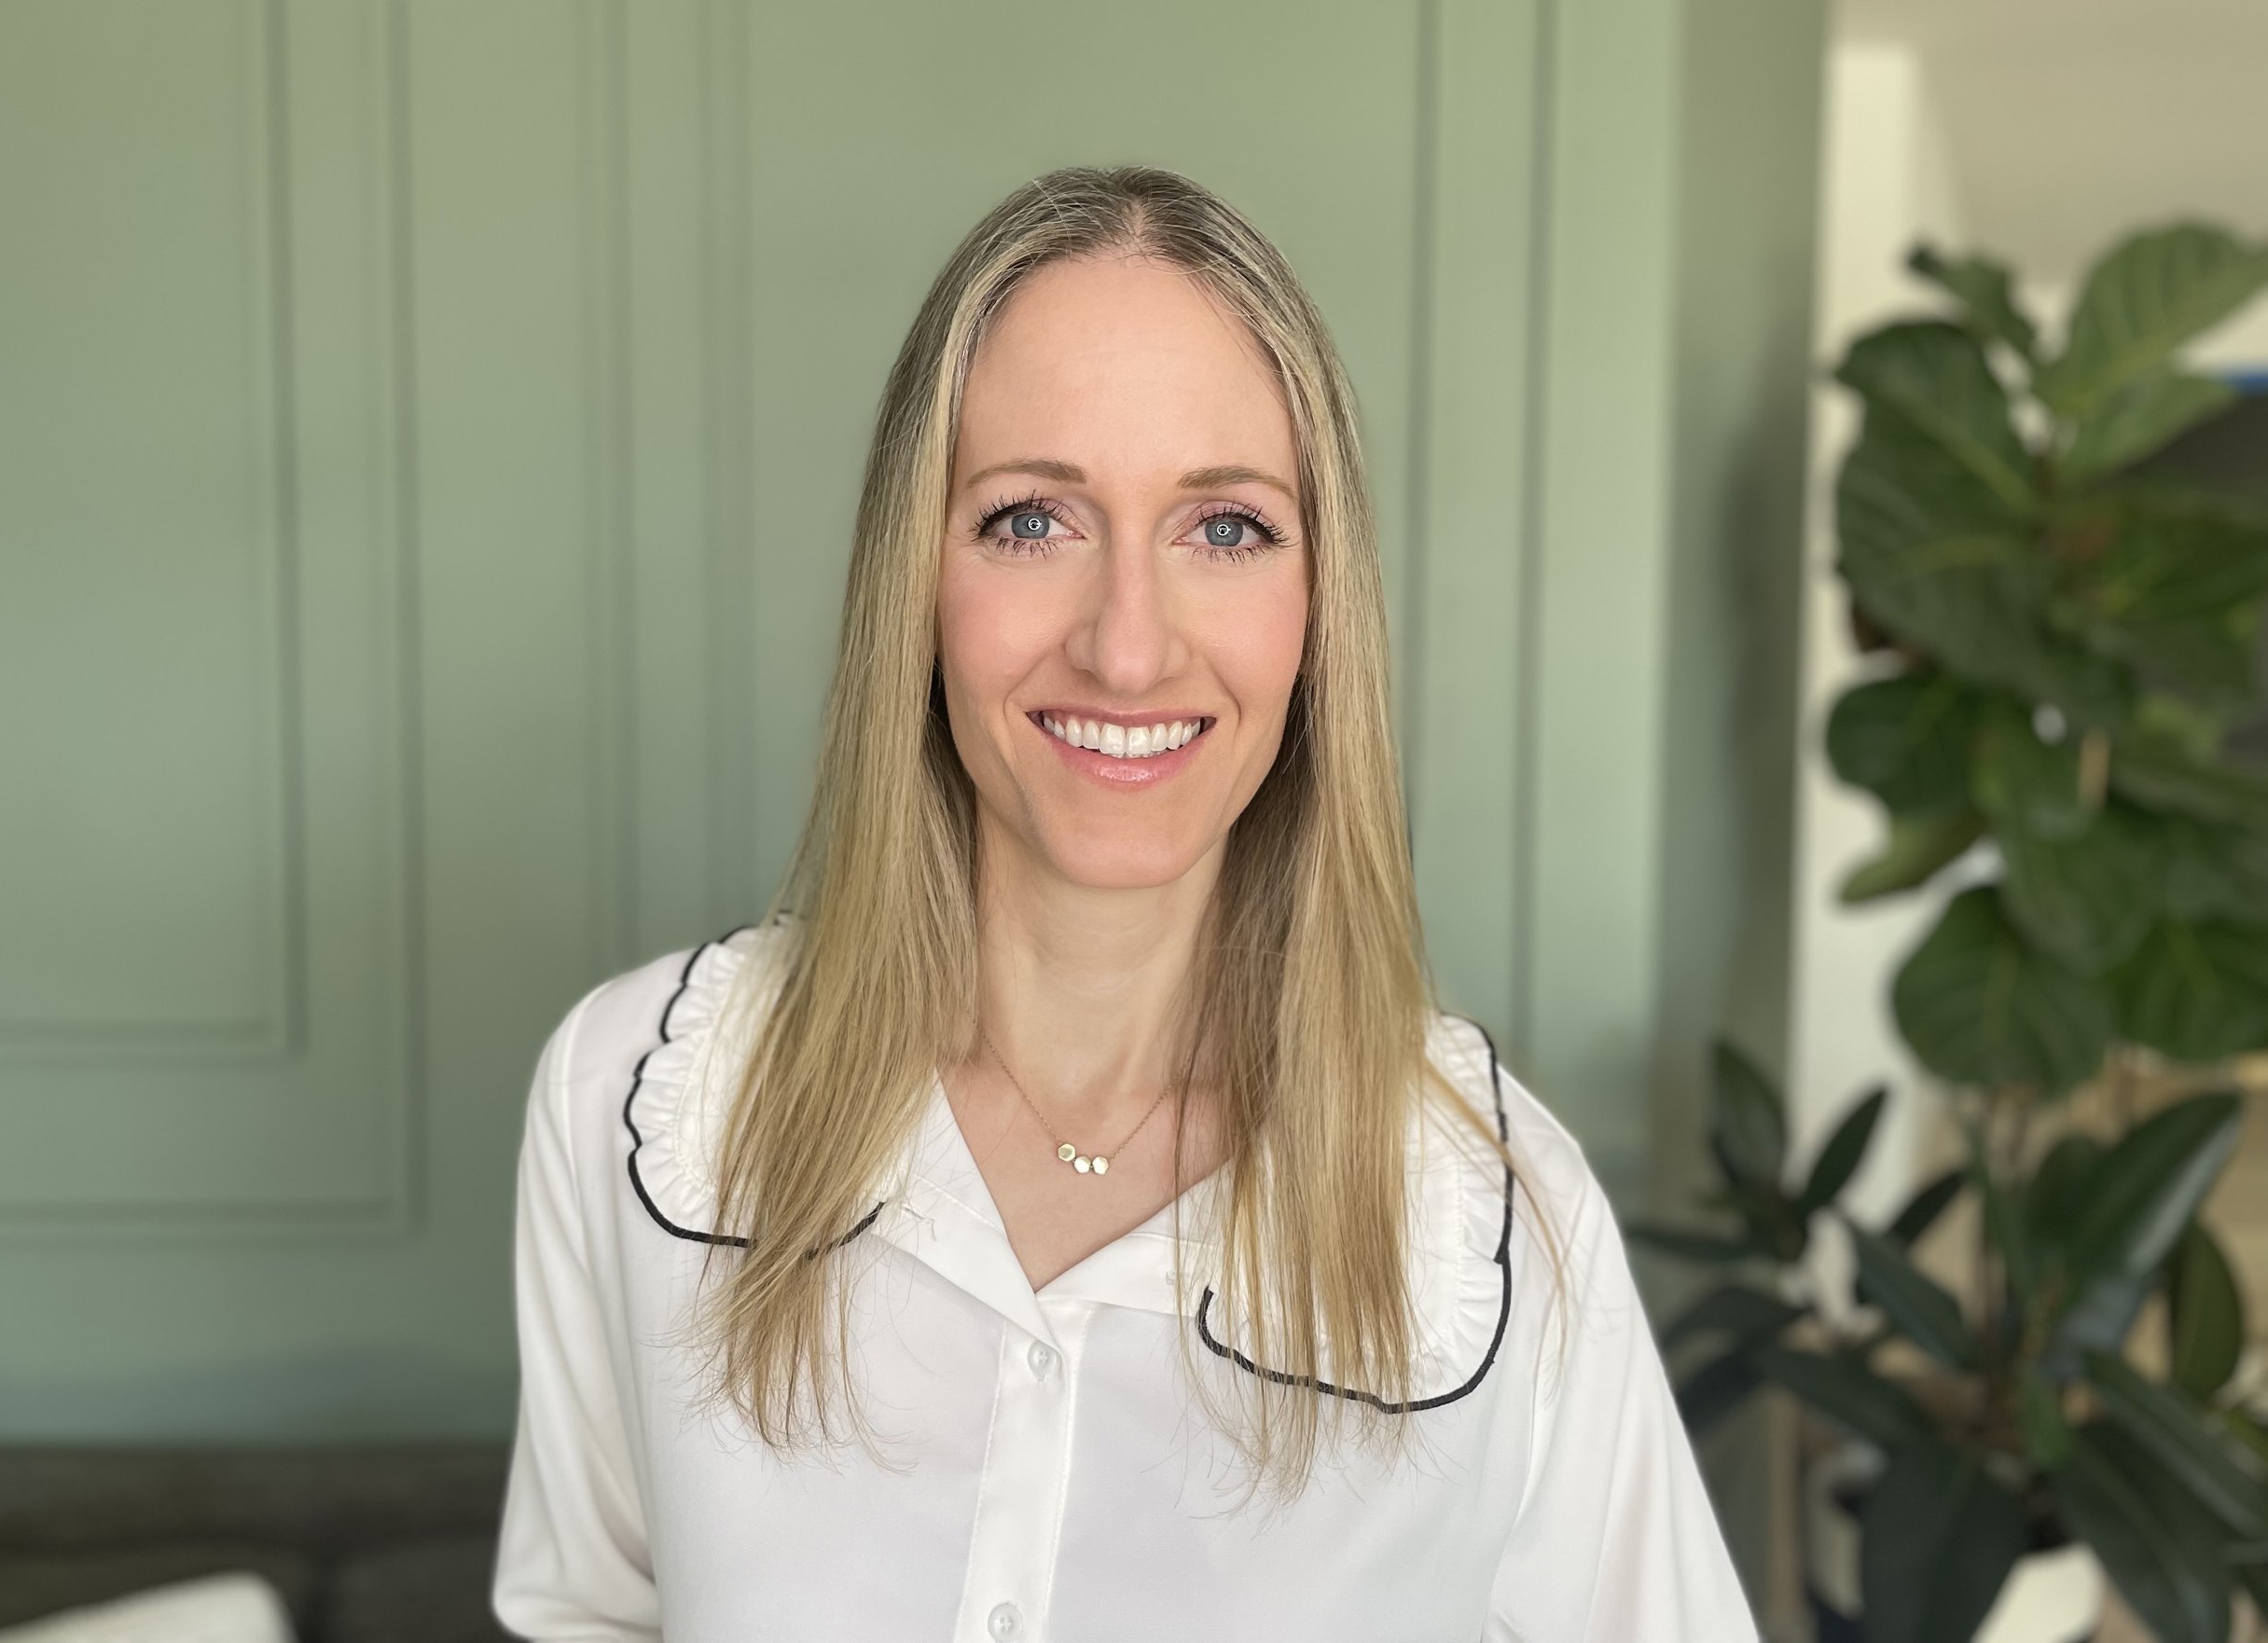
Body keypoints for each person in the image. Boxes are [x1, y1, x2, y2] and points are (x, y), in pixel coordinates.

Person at [491, 165, 1756, 1642]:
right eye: (1033, 519)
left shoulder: (1503, 1220)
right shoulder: (634, 1100)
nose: (1129, 649)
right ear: (917, 580)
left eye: (1224, 528)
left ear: (1318, 606)